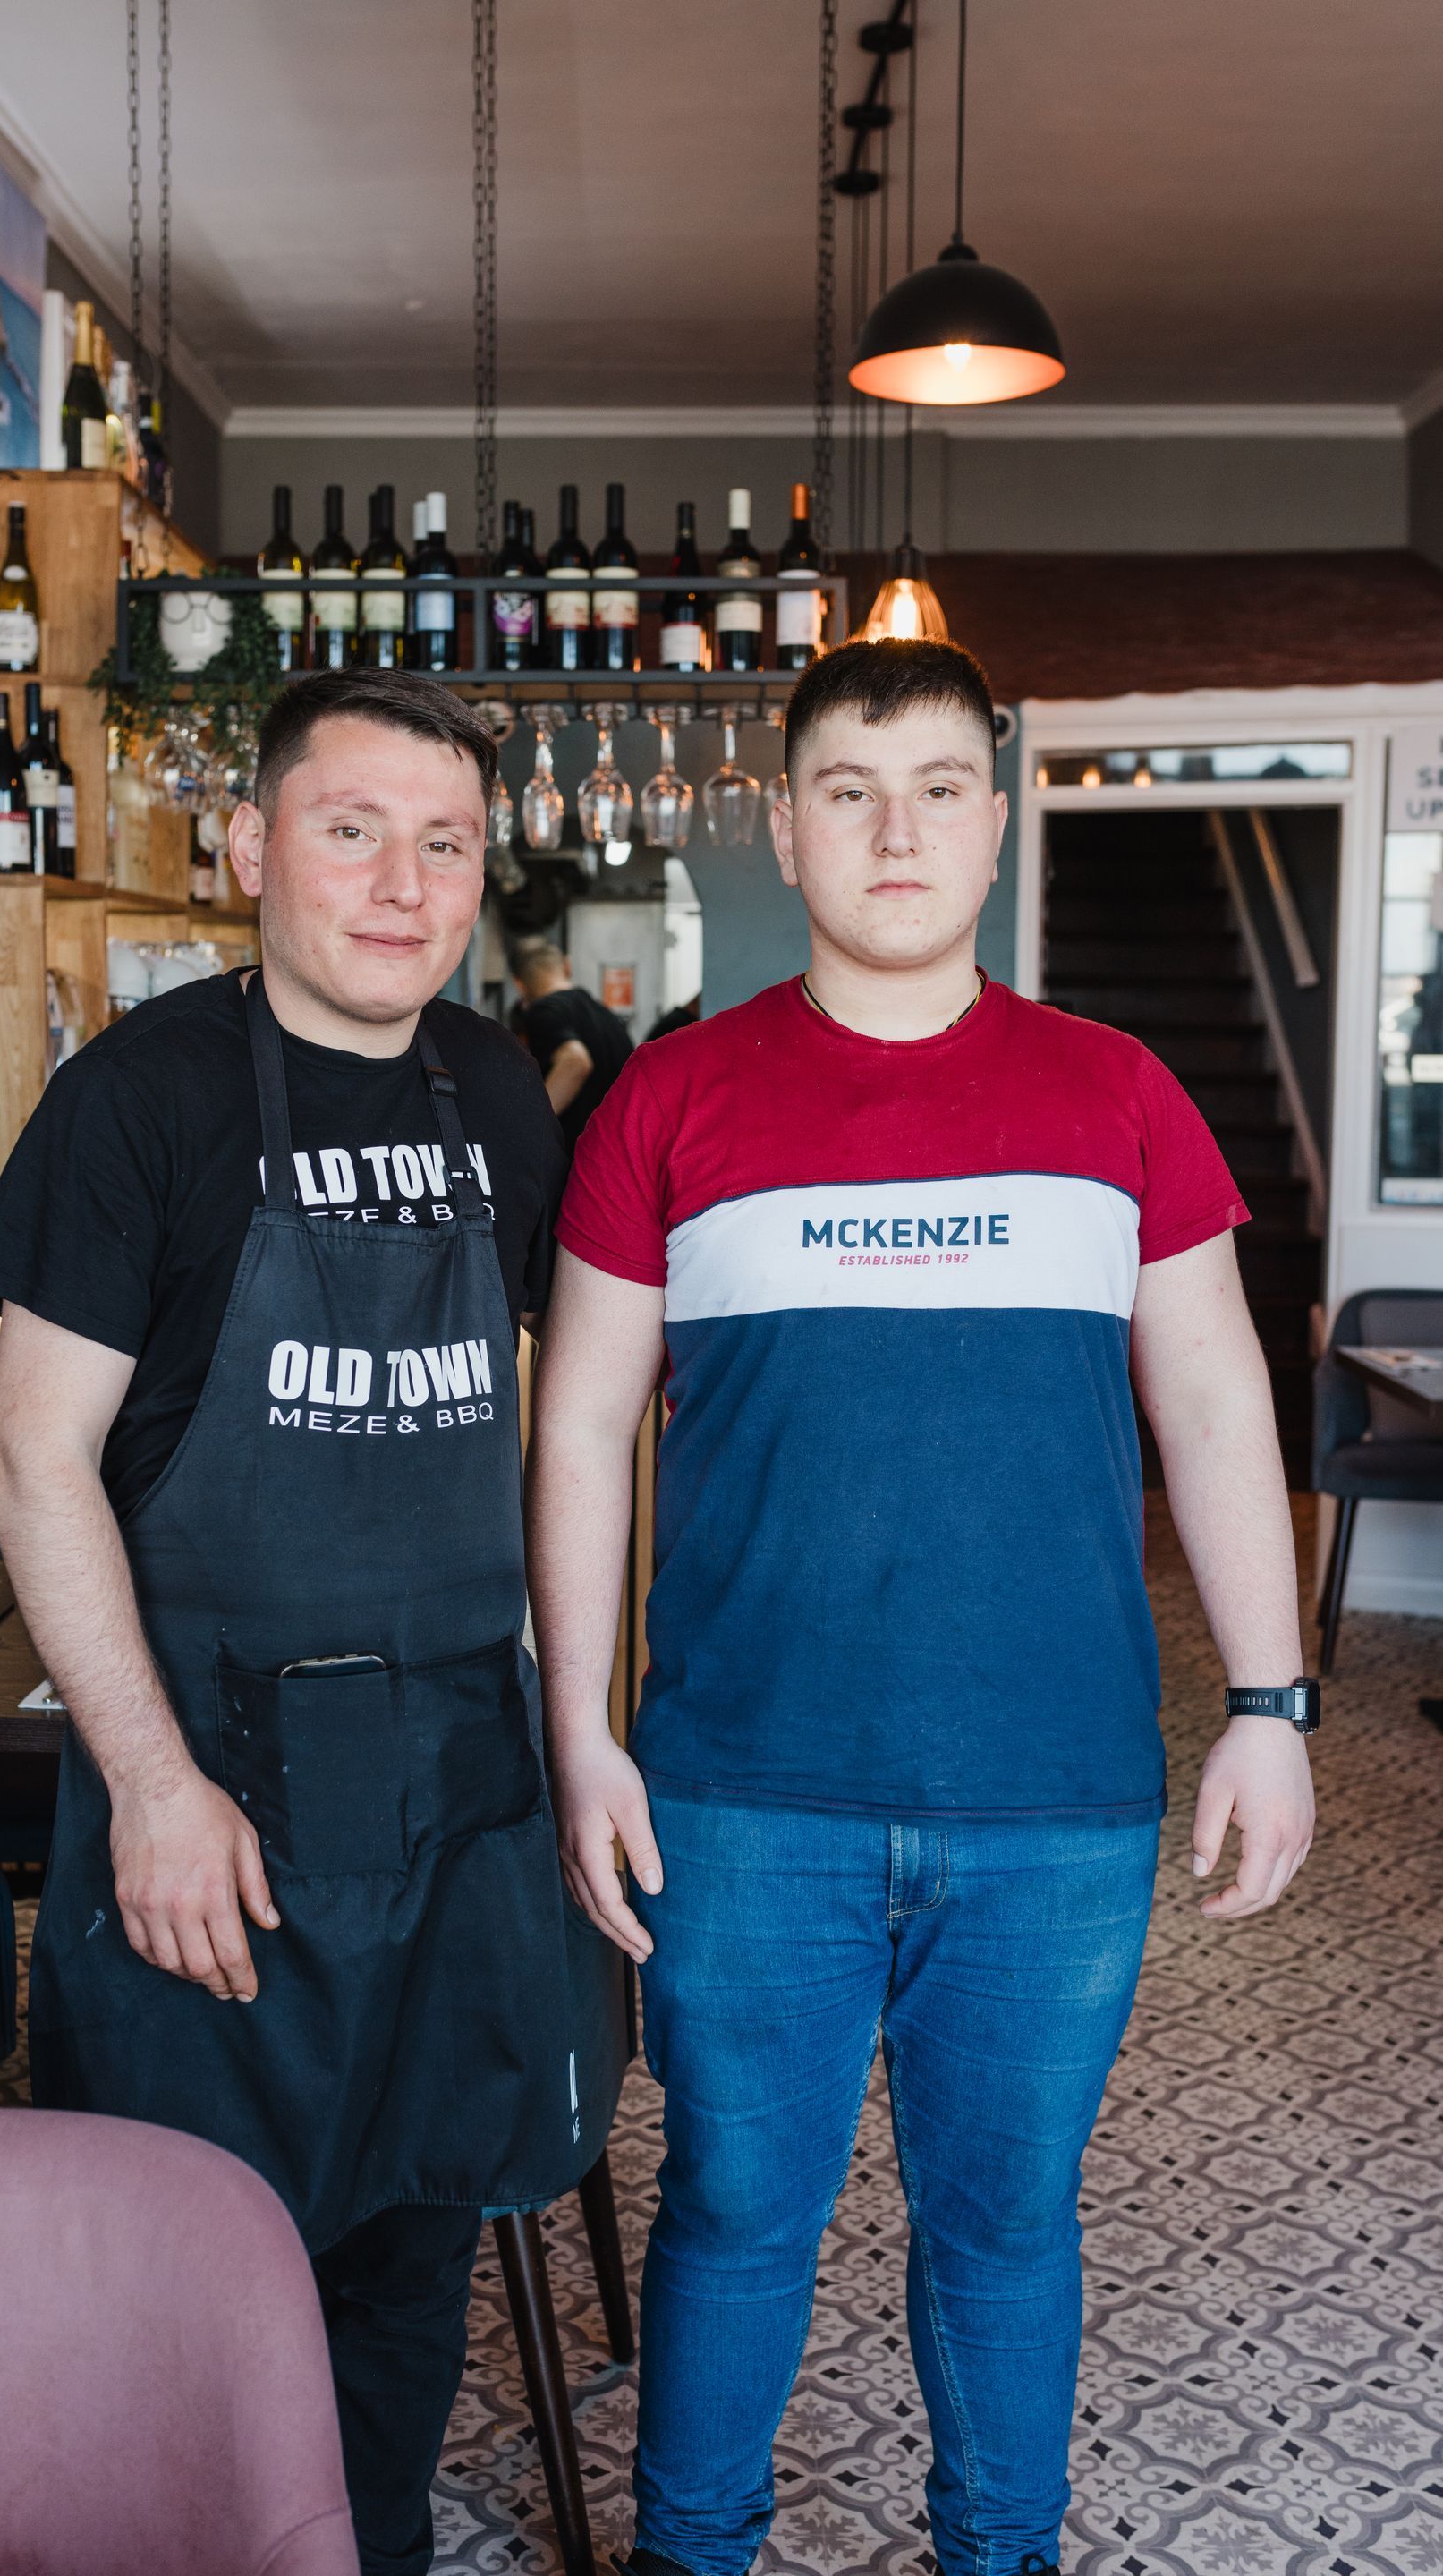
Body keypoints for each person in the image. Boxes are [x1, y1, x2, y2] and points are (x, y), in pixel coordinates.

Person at [526, 639, 1317, 2576]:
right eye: (853, 788)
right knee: (733, 2211)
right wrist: (579, 1727)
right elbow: (582, 1425)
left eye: (943, 784)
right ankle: (688, 2552)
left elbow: (1217, 1401)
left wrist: (1274, 1702)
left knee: (1006, 2221)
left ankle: (1002, 2550)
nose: (898, 826)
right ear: (785, 824)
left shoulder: (1120, 1095)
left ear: (994, 819)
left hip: (1053, 1797)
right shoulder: (668, 1102)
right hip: (740, 1791)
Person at [0, 667, 624, 2576]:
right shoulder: (139, 1099)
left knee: (410, 2245)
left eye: (446, 844)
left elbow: (571, 1414)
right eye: (352, 829)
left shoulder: (497, 1091)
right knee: (185, 2262)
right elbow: (31, 1460)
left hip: (454, 1794)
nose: (403, 883)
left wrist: (578, 1726)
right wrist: (154, 1787)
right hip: (218, 1800)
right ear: (253, 845)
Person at [507, 935, 635, 1151]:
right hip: (615, 1156)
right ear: (567, 966)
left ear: (518, 984)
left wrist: (528, 1124)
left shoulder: (544, 1012)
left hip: (577, 1160)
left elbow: (576, 1060)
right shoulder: (606, 1015)